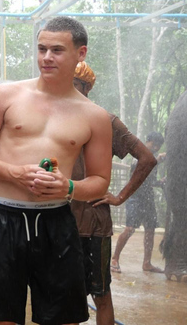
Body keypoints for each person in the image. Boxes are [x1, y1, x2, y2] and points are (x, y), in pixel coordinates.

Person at [0, 16, 112, 325]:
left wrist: (68, 188)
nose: (46, 57)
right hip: (0, 220)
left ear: (80, 53)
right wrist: (14, 173)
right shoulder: (7, 95)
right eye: (42, 48)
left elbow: (100, 182)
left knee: (63, 319)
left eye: (57, 50)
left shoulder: (95, 117)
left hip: (56, 223)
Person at [70, 61, 157, 325]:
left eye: (73, 84)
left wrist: (120, 197)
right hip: (60, 221)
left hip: (93, 224)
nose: (67, 89)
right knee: (63, 296)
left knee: (101, 294)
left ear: (86, 88)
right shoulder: (53, 117)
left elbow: (147, 158)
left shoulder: (105, 121)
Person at [110, 131, 166, 275]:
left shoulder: (153, 159)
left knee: (150, 229)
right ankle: (115, 258)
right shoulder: (140, 155)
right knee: (129, 229)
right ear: (148, 141)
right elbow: (139, 174)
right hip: (135, 197)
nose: (156, 147)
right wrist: (157, 161)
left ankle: (147, 263)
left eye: (159, 145)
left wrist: (160, 182)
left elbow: (150, 181)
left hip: (148, 198)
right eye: (154, 144)